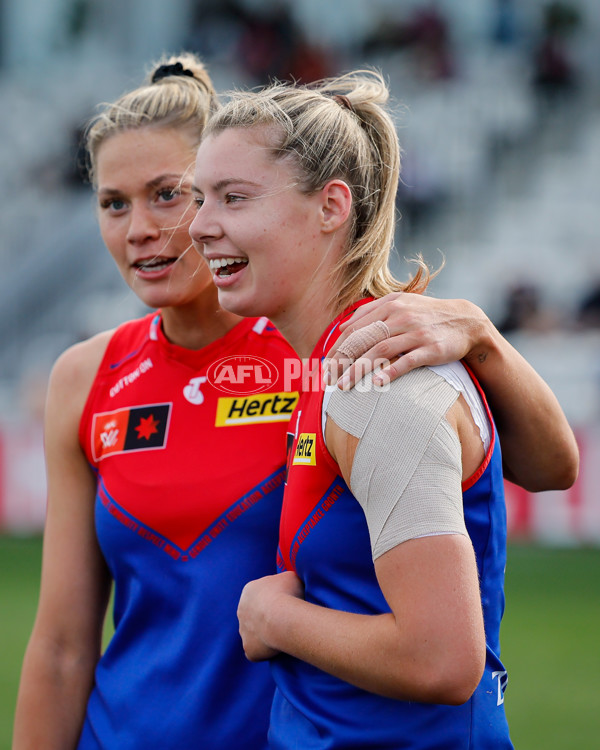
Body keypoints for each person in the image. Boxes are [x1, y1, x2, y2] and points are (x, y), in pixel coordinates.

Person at [12, 54, 577, 750]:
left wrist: (480, 332)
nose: (151, 229)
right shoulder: (89, 375)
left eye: (175, 194)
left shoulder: (350, 351)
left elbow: (547, 468)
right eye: (112, 203)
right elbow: (63, 644)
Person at [189, 69, 577, 748]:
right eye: (199, 198)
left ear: (331, 206)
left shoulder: (380, 381)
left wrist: (272, 620)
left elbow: (443, 660)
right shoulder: (344, 359)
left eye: (233, 197)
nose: (198, 225)